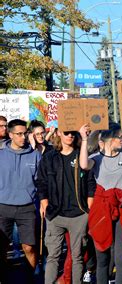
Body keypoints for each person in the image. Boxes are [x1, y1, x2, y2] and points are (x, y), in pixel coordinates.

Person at [37, 125, 96, 284]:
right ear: (58, 134)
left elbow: (91, 184)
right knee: (53, 256)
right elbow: (41, 182)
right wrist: (44, 203)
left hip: (79, 214)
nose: (70, 136)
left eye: (73, 133)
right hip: (55, 214)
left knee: (77, 256)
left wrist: (88, 210)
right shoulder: (49, 157)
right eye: (66, 133)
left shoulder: (81, 155)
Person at [83, 126, 122, 284]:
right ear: (109, 140)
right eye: (119, 137)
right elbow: (84, 165)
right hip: (102, 211)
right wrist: (84, 139)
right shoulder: (96, 158)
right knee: (103, 257)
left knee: (121, 258)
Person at [0, 119, 42, 281]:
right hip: (3, 207)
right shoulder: (1, 154)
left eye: (25, 133)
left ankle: (32, 277)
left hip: (27, 207)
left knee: (29, 247)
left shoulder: (35, 155)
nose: (23, 137)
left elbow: (41, 182)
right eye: (19, 134)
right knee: (1, 247)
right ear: (10, 135)